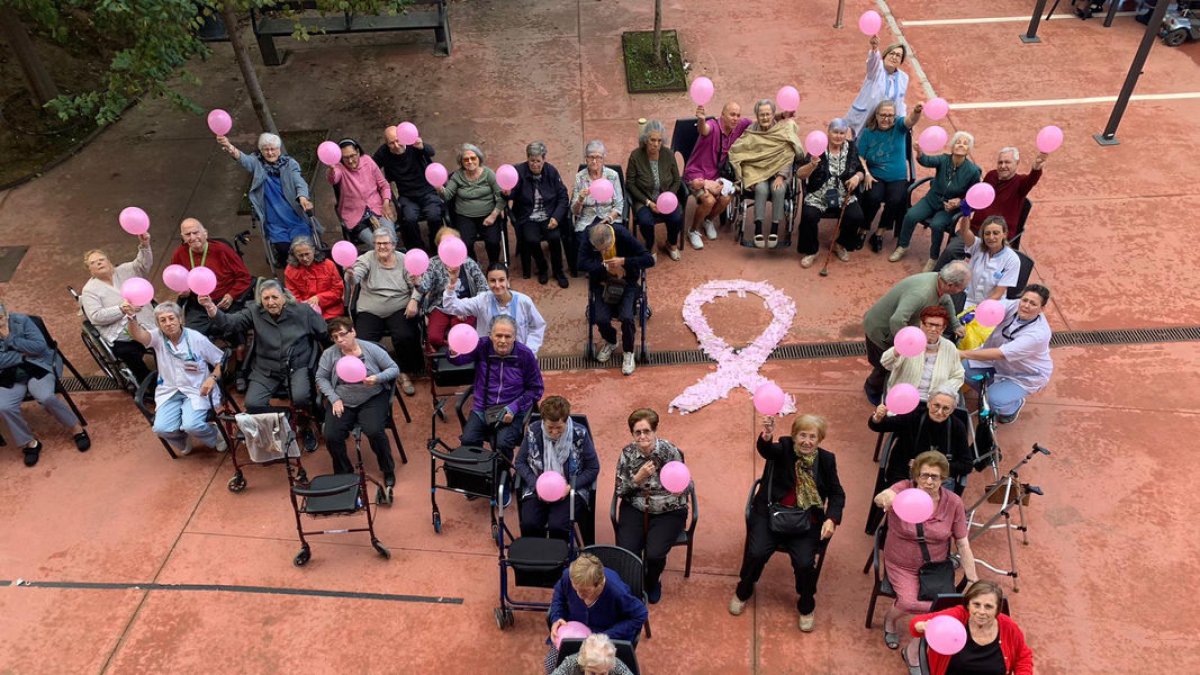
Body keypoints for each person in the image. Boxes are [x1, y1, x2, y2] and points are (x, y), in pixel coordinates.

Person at [731, 414, 845, 632]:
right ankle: (744, 589)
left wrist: (831, 518)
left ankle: (806, 604)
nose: (806, 441)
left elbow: (837, 493)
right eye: (802, 435)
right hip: (771, 514)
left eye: (812, 437)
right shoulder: (783, 447)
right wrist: (766, 436)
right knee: (756, 553)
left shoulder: (826, 460)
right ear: (794, 436)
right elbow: (766, 450)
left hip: (806, 519)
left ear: (819, 439)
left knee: (804, 563)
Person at [874, 450, 979, 651]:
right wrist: (885, 498)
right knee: (908, 603)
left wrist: (973, 579)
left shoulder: (953, 503)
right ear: (916, 475)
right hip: (902, 564)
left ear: (943, 479)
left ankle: (916, 647)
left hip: (934, 568)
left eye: (935, 477)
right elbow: (884, 496)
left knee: (945, 606)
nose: (929, 481)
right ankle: (890, 620)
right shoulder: (903, 489)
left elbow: (963, 543)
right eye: (924, 475)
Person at [199, 280, 328, 429]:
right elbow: (230, 323)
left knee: (301, 399)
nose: (270, 302)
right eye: (266, 298)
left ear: (284, 297)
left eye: (274, 297)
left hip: (297, 365)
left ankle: (305, 426)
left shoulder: (303, 311)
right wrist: (210, 307)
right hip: (266, 368)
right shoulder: (254, 311)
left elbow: (324, 332)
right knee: (253, 404)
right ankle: (284, 421)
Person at [863, 262, 970, 405]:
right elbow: (897, 320)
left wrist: (955, 324)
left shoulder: (939, 282)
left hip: (898, 325)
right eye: (962, 288)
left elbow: (946, 301)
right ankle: (872, 388)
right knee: (885, 366)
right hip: (882, 330)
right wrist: (910, 345)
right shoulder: (921, 293)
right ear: (951, 285)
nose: (962, 291)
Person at [127, 302, 225, 457]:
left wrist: (212, 378)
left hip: (195, 389)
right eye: (163, 320)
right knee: (161, 428)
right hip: (170, 390)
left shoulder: (196, 338)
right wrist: (131, 317)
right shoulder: (158, 337)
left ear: (180, 319)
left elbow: (221, 360)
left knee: (191, 425)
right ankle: (181, 440)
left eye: (171, 318)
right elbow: (138, 335)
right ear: (158, 324)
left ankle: (214, 435)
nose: (168, 323)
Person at [0, 303, 90, 467]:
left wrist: (10, 339)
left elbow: (39, 347)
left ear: (4, 314)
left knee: (46, 397)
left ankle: (76, 428)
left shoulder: (21, 320)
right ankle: (30, 443)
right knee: (4, 406)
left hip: (39, 366)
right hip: (11, 375)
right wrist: (22, 355)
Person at [613, 408, 688, 604]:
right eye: (637, 432)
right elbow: (620, 490)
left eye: (646, 431)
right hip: (636, 506)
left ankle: (653, 581)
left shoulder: (670, 451)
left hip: (668, 509)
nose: (642, 436)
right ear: (632, 434)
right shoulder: (627, 454)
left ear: (654, 431)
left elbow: (687, 483)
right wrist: (637, 478)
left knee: (654, 554)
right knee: (628, 551)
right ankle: (633, 581)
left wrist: (680, 489)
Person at [315, 317, 399, 490]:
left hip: (372, 397)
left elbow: (393, 369)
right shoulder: (329, 354)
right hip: (342, 400)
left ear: (353, 332)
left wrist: (377, 378)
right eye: (335, 337)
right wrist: (334, 398)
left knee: (374, 431)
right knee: (331, 435)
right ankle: (344, 472)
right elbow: (321, 378)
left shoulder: (370, 349)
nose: (339, 340)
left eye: (342, 334)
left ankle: (387, 469)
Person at [449, 315, 544, 462]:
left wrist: (514, 408)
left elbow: (536, 389)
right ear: (490, 335)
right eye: (498, 335)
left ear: (515, 337)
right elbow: (460, 360)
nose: (503, 340)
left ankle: (503, 473)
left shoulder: (525, 355)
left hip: (511, 409)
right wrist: (453, 353)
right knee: (468, 441)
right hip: (482, 408)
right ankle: (479, 470)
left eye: (508, 336)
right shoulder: (482, 346)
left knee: (502, 446)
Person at [216, 132, 314, 268]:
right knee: (284, 248)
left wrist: (302, 197)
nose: (270, 152)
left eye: (273, 149)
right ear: (261, 151)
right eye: (266, 149)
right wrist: (228, 145)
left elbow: (299, 182)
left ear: (279, 149)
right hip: (274, 220)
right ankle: (290, 269)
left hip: (294, 216)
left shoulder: (290, 164)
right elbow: (243, 159)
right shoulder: (257, 163)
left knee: (302, 246)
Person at [960, 285, 1054, 425]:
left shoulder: (1038, 335)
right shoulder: (1015, 305)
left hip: (1024, 374)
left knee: (994, 400)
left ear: (1042, 309)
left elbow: (1000, 354)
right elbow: (994, 308)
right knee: (963, 370)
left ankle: (1012, 407)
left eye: (1033, 304)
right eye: (1024, 300)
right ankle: (996, 391)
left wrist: (962, 353)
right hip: (999, 363)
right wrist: (973, 316)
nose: (1026, 306)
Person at [345, 227, 421, 396]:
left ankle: (403, 372)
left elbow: (417, 284)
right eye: (378, 243)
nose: (382, 247)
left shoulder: (404, 260)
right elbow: (354, 278)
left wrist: (414, 300)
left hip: (399, 306)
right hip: (370, 308)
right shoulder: (366, 258)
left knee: (404, 336)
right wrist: (350, 274)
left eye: (385, 243)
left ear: (393, 244)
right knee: (363, 340)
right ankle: (375, 373)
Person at [868, 385, 971, 506]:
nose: (939, 412)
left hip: (938, 481)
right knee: (904, 505)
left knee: (938, 510)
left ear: (952, 410)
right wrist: (877, 417)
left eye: (946, 408)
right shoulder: (914, 416)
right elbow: (880, 425)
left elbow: (967, 464)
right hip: (905, 473)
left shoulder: (957, 427)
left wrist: (938, 467)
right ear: (929, 403)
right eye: (936, 405)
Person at [515, 395, 599, 540]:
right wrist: (536, 485)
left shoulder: (580, 434)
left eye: (559, 428)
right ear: (543, 422)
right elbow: (520, 462)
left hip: (569, 489)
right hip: (537, 488)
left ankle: (561, 552)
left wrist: (570, 487)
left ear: (566, 421)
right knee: (529, 523)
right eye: (550, 428)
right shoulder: (533, 432)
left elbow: (593, 468)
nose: (554, 432)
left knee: (558, 526)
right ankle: (538, 550)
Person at [893, 131, 981, 269]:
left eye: (965, 144)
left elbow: (973, 195)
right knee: (910, 215)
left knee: (937, 225)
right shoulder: (944, 159)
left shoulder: (973, 171)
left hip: (948, 208)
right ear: (952, 146)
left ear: (969, 150)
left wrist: (959, 201)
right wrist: (920, 152)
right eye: (958, 142)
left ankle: (933, 258)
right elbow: (926, 161)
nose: (960, 145)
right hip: (931, 200)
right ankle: (902, 246)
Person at [547, 553, 648, 673]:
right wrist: (557, 617)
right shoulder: (567, 577)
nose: (579, 595)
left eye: (585, 591)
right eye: (575, 589)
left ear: (600, 584)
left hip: (604, 640)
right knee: (551, 665)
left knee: (603, 669)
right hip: (573, 635)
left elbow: (640, 614)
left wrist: (605, 636)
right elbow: (559, 595)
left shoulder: (617, 592)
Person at [908, 580, 1034, 675]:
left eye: (988, 606)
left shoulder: (1008, 626)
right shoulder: (958, 616)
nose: (981, 612)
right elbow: (916, 623)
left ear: (997, 609)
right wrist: (923, 626)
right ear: (968, 605)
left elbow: (1023, 656)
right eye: (976, 605)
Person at [579, 223, 655, 376]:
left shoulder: (622, 234)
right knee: (600, 319)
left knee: (627, 317)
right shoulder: (588, 236)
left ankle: (628, 352)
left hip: (627, 283)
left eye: (606, 248)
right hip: (602, 283)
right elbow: (581, 263)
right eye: (600, 250)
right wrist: (605, 266)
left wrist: (623, 261)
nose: (604, 252)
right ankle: (611, 341)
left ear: (612, 239)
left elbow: (649, 259)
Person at [80, 235, 155, 385]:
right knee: (129, 355)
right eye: (93, 263)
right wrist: (121, 309)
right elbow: (96, 316)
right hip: (121, 333)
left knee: (165, 339)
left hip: (145, 322)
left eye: (101, 259)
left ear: (109, 261)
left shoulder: (125, 270)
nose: (99, 263)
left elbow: (143, 264)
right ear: (90, 270)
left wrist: (145, 245)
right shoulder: (89, 290)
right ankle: (149, 385)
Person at [727, 98, 803, 248]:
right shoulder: (751, 131)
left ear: (773, 114)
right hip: (757, 172)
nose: (765, 117)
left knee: (778, 189)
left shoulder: (783, 130)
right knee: (761, 189)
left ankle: (774, 228)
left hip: (780, 172)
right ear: (757, 115)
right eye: (761, 115)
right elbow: (740, 154)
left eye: (768, 114)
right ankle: (758, 229)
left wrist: (781, 176)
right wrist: (749, 177)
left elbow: (789, 155)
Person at [795, 117, 867, 267]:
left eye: (842, 133)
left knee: (857, 216)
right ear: (828, 132)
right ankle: (811, 251)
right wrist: (812, 165)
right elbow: (800, 174)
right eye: (835, 132)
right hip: (819, 194)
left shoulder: (851, 148)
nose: (838, 136)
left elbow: (860, 170)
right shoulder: (818, 145)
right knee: (809, 216)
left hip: (843, 194)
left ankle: (840, 244)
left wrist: (856, 177)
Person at [169, 218, 253, 336]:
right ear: (183, 237)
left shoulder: (222, 250)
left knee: (233, 329)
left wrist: (231, 295)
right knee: (191, 337)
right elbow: (176, 279)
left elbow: (244, 277)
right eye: (188, 234)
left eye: (196, 233)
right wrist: (183, 290)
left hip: (224, 302)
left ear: (205, 233)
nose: (192, 237)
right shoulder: (179, 254)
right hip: (198, 304)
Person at [682, 102, 751, 246]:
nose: (735, 118)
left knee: (727, 198)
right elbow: (704, 129)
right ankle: (693, 230)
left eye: (738, 115)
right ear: (723, 115)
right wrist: (701, 119)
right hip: (696, 174)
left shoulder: (738, 125)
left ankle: (708, 220)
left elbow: (762, 121)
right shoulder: (713, 126)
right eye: (732, 115)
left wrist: (781, 116)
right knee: (709, 201)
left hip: (717, 175)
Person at [859, 100, 923, 253]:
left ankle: (879, 233)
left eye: (890, 115)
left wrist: (916, 111)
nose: (886, 119)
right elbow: (860, 156)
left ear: (895, 117)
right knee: (872, 198)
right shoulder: (867, 133)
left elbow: (910, 120)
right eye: (882, 115)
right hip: (875, 175)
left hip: (897, 177)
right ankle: (864, 228)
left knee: (896, 199)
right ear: (876, 115)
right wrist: (866, 173)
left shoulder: (899, 127)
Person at [442, 262, 547, 354]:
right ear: (487, 282)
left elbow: (537, 326)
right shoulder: (482, 300)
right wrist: (452, 283)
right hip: (489, 358)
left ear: (508, 281)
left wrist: (529, 350)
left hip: (518, 358)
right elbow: (451, 306)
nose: (497, 285)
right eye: (492, 280)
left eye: (501, 280)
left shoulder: (524, 301)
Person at [412, 226, 488, 351]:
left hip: (465, 305)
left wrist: (470, 306)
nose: (449, 247)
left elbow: (483, 287)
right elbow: (424, 288)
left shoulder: (468, 262)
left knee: (459, 334)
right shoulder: (433, 263)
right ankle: (450, 347)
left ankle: (461, 350)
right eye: (444, 243)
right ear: (438, 246)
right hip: (440, 306)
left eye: (452, 242)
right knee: (434, 338)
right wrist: (417, 282)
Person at [507, 142, 571, 287]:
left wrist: (556, 217)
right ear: (527, 159)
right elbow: (510, 194)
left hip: (549, 215)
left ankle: (558, 271)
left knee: (554, 238)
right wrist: (507, 194)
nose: (535, 164)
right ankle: (542, 267)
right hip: (528, 216)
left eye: (538, 161)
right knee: (531, 239)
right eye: (532, 160)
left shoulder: (551, 171)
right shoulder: (518, 172)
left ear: (544, 159)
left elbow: (563, 196)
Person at [372, 125, 442, 253]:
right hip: (406, 195)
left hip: (426, 190)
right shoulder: (384, 152)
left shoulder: (412, 143)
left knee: (434, 215)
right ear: (386, 144)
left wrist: (422, 146)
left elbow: (431, 152)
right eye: (391, 143)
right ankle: (418, 249)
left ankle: (436, 246)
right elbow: (371, 167)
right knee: (409, 219)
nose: (396, 145)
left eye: (398, 140)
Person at [438, 143, 505, 266]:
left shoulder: (489, 174)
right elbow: (447, 196)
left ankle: (494, 265)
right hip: (465, 216)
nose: (470, 161)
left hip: (488, 215)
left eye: (473, 158)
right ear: (461, 162)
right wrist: (439, 188)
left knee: (493, 242)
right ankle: (473, 265)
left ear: (479, 159)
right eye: (466, 159)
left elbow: (501, 196)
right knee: (465, 243)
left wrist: (493, 215)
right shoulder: (457, 176)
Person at [626, 120, 684, 261]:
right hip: (644, 199)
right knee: (645, 221)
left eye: (659, 140)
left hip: (666, 198)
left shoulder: (668, 154)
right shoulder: (636, 156)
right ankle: (651, 245)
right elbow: (630, 183)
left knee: (676, 218)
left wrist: (668, 197)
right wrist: (648, 202)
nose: (656, 144)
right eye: (652, 140)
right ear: (645, 139)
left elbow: (677, 180)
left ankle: (671, 243)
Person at [880, 306, 965, 402]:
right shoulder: (909, 340)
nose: (933, 329)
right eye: (930, 324)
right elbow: (886, 363)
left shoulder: (949, 347)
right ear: (921, 324)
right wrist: (898, 349)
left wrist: (943, 390)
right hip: (903, 399)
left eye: (938, 326)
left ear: (943, 328)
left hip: (934, 404)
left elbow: (958, 376)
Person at [327, 138, 397, 246]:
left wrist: (386, 203)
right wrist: (331, 169)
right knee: (376, 245)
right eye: (346, 158)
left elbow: (384, 185)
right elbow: (333, 179)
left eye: (352, 156)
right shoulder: (339, 167)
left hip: (378, 208)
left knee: (390, 239)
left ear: (358, 151)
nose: (350, 161)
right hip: (354, 215)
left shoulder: (367, 161)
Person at [847, 35, 910, 137]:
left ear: (901, 61)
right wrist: (874, 49)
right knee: (861, 142)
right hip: (867, 116)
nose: (894, 57)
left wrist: (903, 122)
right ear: (885, 55)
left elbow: (900, 101)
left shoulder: (904, 77)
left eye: (898, 55)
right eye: (892, 53)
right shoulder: (876, 69)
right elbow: (872, 62)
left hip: (886, 121)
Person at [958, 215, 1021, 311]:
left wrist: (978, 311)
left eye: (996, 233)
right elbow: (964, 231)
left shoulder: (1012, 260)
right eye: (987, 233)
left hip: (991, 305)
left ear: (1004, 234)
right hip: (967, 299)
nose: (991, 237)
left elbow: (998, 294)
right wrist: (966, 214)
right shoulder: (977, 246)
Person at [283, 236, 345, 320]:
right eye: (300, 255)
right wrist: (306, 306)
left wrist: (319, 298)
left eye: (307, 254)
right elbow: (293, 297)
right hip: (306, 314)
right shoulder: (290, 271)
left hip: (332, 312)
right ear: (294, 255)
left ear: (313, 250)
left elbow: (338, 290)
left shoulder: (328, 265)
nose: (305, 258)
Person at [571, 140, 625, 231]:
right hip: (587, 222)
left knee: (625, 236)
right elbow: (575, 212)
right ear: (586, 158)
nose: (594, 161)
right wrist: (580, 200)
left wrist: (609, 218)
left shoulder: (613, 176)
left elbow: (619, 204)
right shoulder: (579, 177)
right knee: (585, 238)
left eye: (598, 157)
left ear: (603, 159)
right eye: (591, 157)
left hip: (609, 220)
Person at [550, 633, 635, 675]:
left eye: (602, 674)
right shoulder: (571, 663)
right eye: (592, 673)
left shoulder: (614, 665)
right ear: (583, 665)